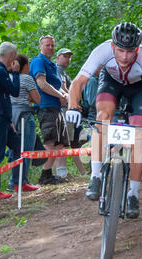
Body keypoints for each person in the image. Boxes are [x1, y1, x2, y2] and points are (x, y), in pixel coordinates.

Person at [66, 22, 142, 219]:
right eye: (120, 50)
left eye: (130, 52)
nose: (125, 57)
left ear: (137, 49)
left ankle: (133, 193)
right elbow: (78, 82)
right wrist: (73, 106)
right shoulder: (101, 51)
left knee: (140, 137)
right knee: (103, 118)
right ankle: (96, 176)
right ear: (112, 46)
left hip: (138, 88)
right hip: (111, 83)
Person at [0, 42, 32, 202]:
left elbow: (2, 98)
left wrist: (10, 120)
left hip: (2, 117)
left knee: (18, 146)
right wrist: (16, 73)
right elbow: (15, 91)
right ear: (11, 56)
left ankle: (20, 182)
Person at [30, 35, 69, 185]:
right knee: (50, 141)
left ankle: (47, 174)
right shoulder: (38, 61)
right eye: (47, 45)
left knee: (60, 143)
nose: (50, 48)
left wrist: (68, 97)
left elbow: (59, 87)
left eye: (52, 45)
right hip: (45, 106)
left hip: (57, 107)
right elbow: (42, 84)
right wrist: (61, 96)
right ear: (40, 46)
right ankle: (43, 175)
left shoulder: (52, 65)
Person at [7, 54, 41, 192]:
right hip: (25, 116)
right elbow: (37, 99)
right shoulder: (27, 79)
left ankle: (13, 181)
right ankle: (21, 182)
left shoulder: (8, 78)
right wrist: (27, 97)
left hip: (11, 116)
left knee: (15, 149)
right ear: (24, 65)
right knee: (26, 148)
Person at [55, 48, 86, 177]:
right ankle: (61, 173)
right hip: (63, 111)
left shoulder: (63, 72)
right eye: (65, 56)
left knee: (73, 143)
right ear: (58, 57)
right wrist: (73, 103)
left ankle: (83, 172)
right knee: (64, 142)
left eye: (69, 56)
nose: (68, 59)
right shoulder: (58, 69)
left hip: (68, 110)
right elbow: (62, 87)